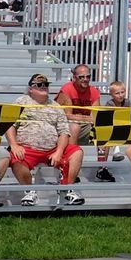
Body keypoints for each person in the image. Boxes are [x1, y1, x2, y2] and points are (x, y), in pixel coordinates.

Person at [5, 73, 85, 206]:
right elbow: (10, 125)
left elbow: (64, 132)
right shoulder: (21, 102)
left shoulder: (56, 106)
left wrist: (59, 151)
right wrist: (13, 144)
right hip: (27, 148)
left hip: (52, 149)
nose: (44, 87)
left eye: (46, 85)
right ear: (31, 88)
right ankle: (29, 191)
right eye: (39, 85)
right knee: (15, 158)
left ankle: (67, 188)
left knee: (77, 152)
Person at [56, 64, 100, 145]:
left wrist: (85, 119)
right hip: (66, 125)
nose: (85, 79)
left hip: (86, 125)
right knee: (74, 127)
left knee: (102, 129)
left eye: (88, 76)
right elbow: (67, 116)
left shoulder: (94, 92)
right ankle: (72, 155)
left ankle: (103, 157)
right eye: (81, 77)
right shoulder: (67, 89)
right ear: (74, 77)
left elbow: (96, 117)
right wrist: (87, 118)